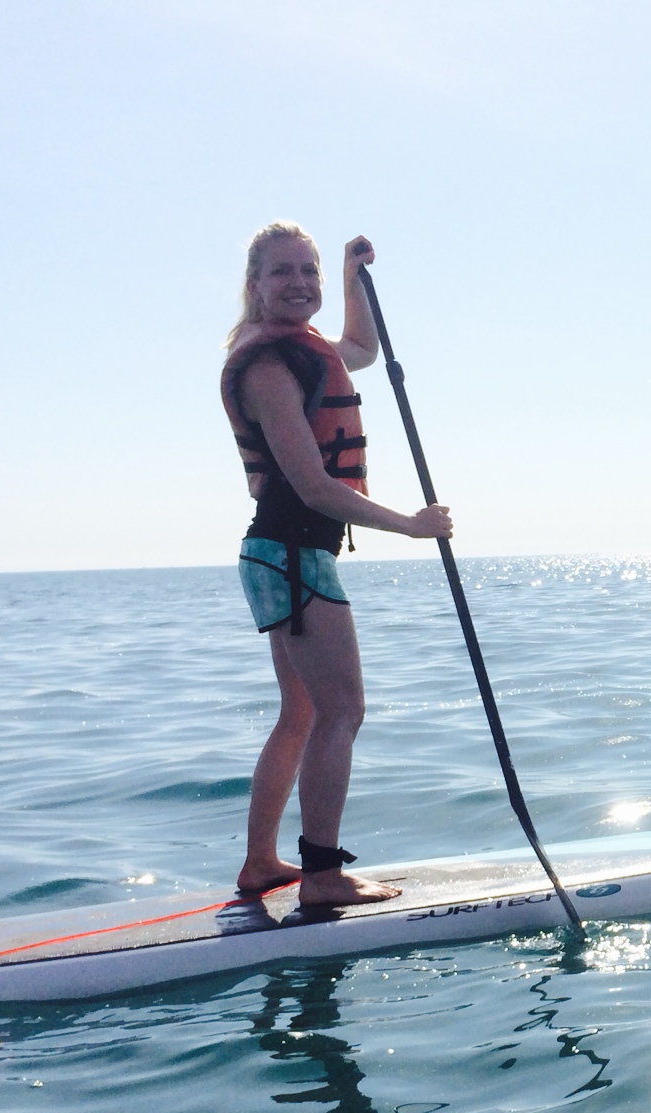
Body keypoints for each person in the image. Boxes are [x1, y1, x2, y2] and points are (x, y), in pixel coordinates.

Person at [221, 222, 452, 905]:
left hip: (281, 555)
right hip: (290, 554)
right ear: (255, 285)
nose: (298, 284)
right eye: (282, 272)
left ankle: (262, 864)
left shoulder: (305, 350)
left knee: (301, 712)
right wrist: (411, 526)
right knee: (341, 711)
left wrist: (353, 279)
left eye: (310, 273)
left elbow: (360, 349)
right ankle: (322, 876)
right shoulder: (265, 367)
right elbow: (315, 488)